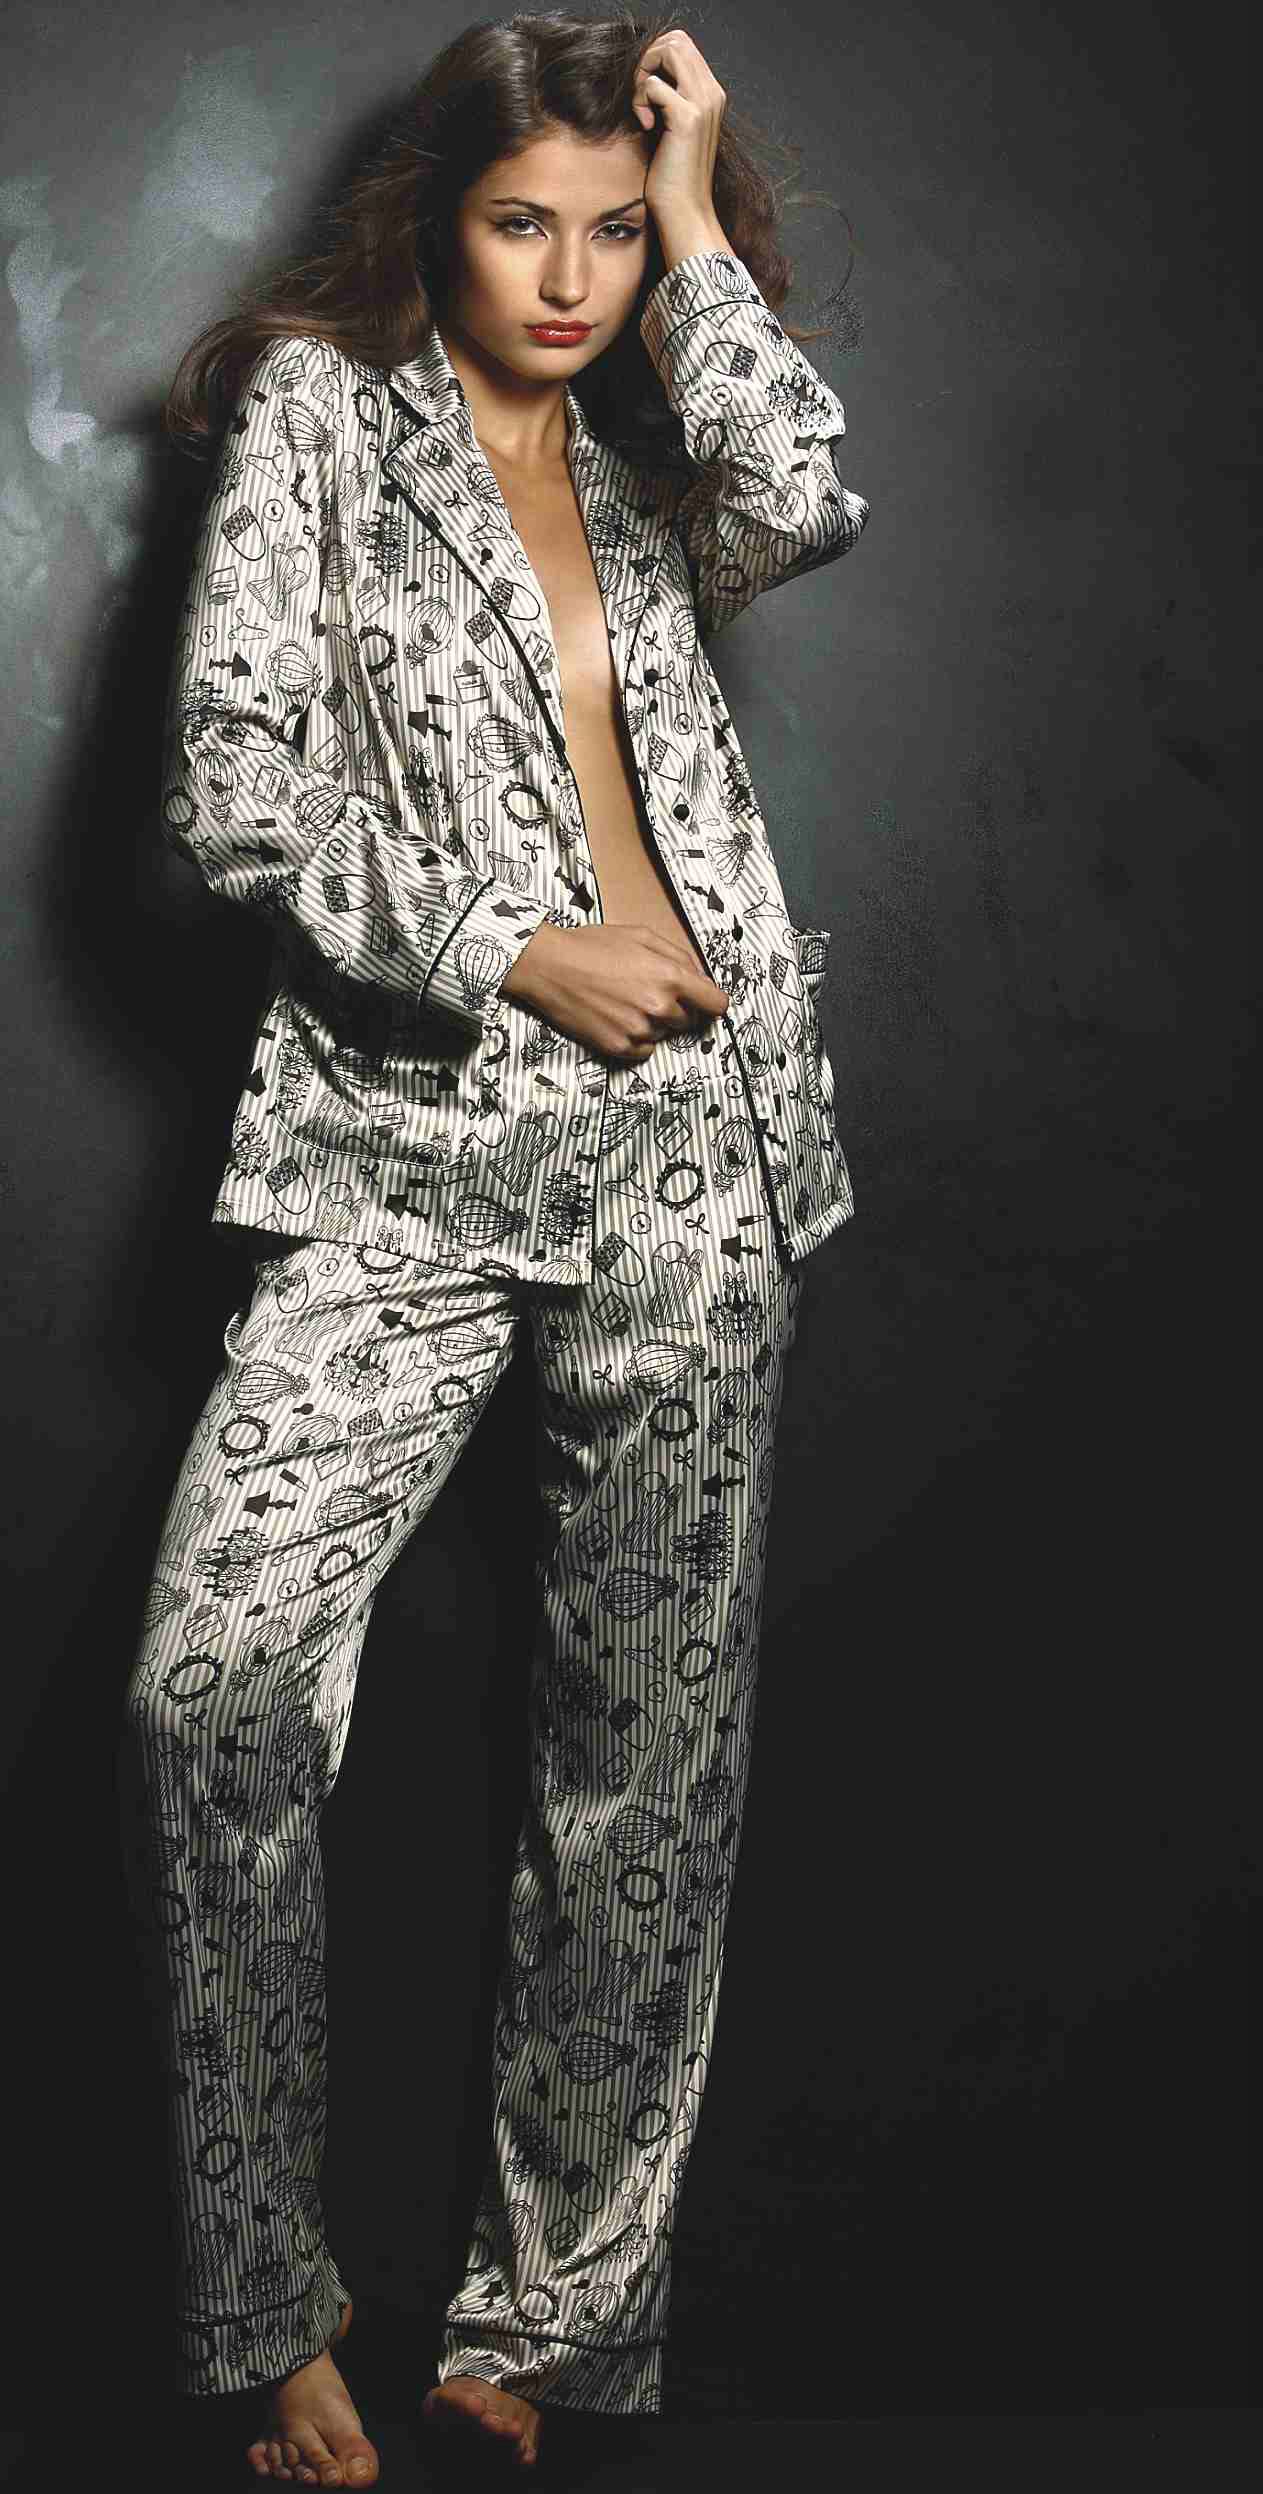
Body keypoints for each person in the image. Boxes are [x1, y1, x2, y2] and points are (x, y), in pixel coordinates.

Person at [117, 11, 870, 2484]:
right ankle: (266, 2300)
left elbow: (808, 491)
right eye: (518, 222)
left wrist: (700, 200)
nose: (565, 277)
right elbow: (230, 787)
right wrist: (510, 940)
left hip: (692, 1163)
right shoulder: (323, 421)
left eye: (608, 232)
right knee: (215, 1686)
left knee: (636, 1778)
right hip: (404, 1161)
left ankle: (544, 2321)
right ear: (433, 217)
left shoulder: (661, 447)